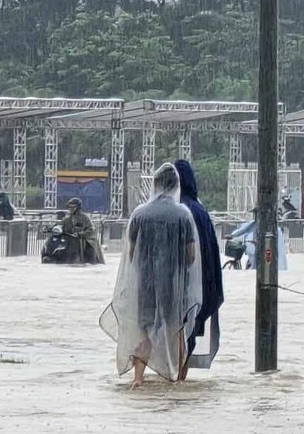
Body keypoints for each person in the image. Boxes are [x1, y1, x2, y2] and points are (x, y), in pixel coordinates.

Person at [99, 164, 203, 388]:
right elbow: (192, 256)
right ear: (176, 186)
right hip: (174, 286)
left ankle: (138, 378)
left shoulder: (139, 214)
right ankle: (177, 377)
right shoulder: (183, 214)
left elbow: (131, 253)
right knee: (176, 330)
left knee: (145, 330)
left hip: (145, 284)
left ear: (154, 185)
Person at [175, 159, 224, 380]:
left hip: (181, 284)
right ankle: (181, 378)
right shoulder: (200, 209)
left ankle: (175, 377)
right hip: (203, 284)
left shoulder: (179, 210)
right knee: (189, 331)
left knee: (175, 330)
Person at [59, 198, 105, 264]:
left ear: (78, 207)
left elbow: (91, 229)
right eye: (69, 207)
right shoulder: (67, 218)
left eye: (73, 207)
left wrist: (80, 234)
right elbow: (60, 225)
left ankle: (93, 262)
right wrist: (53, 228)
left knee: (90, 251)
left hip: (85, 240)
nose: (71, 209)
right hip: (70, 240)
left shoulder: (85, 217)